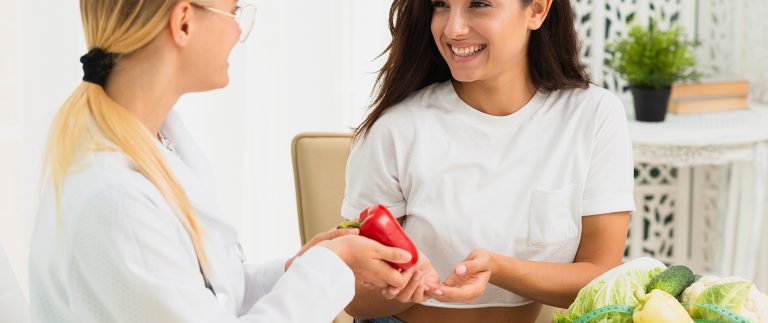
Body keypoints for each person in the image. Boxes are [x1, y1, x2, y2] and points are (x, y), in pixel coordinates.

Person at [28, 1, 414, 322]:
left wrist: (301, 266)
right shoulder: (116, 198)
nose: (239, 33)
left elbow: (214, 295)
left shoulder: (158, 139)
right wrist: (332, 265)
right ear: (183, 22)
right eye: (235, 13)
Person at [341, 0, 635, 322]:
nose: (453, 29)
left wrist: (497, 269)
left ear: (536, 10)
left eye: (478, 4)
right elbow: (357, 303)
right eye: (441, 5)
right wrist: (405, 285)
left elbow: (600, 276)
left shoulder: (592, 115)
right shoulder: (396, 129)